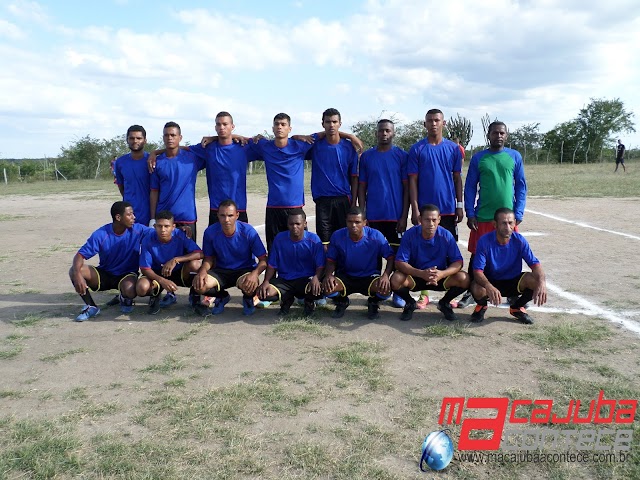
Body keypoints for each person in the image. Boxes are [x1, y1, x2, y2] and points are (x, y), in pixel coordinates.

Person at [462, 121, 527, 308]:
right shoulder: (479, 158)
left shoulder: (514, 156)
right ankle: (471, 292)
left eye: (502, 133)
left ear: (506, 135)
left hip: (507, 219)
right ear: (488, 135)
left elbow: (521, 186)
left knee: (512, 253)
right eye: (495, 133)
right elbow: (470, 187)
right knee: (477, 255)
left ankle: (513, 294)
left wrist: (519, 211)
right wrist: (470, 212)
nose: (498, 136)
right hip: (483, 216)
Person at [150, 112, 253, 225]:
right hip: (216, 209)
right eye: (218, 124)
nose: (221, 127)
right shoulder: (207, 148)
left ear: (232, 127)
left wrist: (234, 136)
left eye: (225, 124)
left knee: (241, 241)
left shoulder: (244, 146)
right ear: (215, 127)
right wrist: (155, 152)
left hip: (238, 208)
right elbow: (176, 148)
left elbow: (259, 143)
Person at [408, 109, 463, 309]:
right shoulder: (417, 149)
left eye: (437, 120)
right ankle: (423, 294)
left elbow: (457, 178)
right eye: (429, 120)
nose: (433, 123)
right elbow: (412, 181)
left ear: (443, 123)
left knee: (448, 253)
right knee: (423, 252)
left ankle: (448, 294)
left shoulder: (453, 149)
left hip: (447, 209)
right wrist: (415, 209)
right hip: (424, 211)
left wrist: (459, 204)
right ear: (424, 124)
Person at [357, 118, 409, 308]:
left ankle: (397, 291)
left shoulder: (402, 156)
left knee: (396, 255)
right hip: (373, 216)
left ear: (393, 133)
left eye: (387, 131)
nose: (384, 134)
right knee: (374, 254)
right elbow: (362, 187)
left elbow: (406, 189)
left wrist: (404, 216)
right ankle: (379, 289)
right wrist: (363, 214)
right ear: (376, 133)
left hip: (395, 216)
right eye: (381, 131)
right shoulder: (367, 157)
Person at [391, 204, 470, 321]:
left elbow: (458, 262)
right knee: (395, 279)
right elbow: (399, 262)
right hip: (416, 276)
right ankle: (409, 303)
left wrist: (442, 274)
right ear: (420, 220)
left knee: (464, 278)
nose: (431, 224)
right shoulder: (410, 234)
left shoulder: (446, 235)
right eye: (427, 220)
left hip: (439, 277)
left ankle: (444, 303)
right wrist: (421, 273)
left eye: (434, 220)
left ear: (439, 220)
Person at [69, 201, 146, 321]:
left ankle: (124, 297)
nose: (134, 217)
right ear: (118, 217)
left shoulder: (138, 230)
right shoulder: (101, 234)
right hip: (105, 273)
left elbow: (157, 234)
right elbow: (79, 256)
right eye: (130, 214)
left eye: (133, 214)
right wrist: (77, 275)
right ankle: (92, 307)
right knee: (75, 270)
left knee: (130, 290)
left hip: (126, 275)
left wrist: (183, 229)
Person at [469, 208, 546, 324]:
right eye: (503, 223)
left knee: (536, 281)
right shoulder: (484, 241)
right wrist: (488, 286)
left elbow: (535, 265)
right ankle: (481, 307)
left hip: (512, 281)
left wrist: (542, 283)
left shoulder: (519, 240)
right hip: (492, 281)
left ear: (515, 223)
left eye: (510, 223)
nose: (507, 227)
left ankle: (516, 307)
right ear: (494, 224)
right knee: (476, 287)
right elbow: (477, 271)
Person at [192, 199, 267, 316]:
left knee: (251, 283)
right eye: (222, 215)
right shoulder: (210, 232)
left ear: (237, 215)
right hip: (221, 271)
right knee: (200, 286)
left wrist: (255, 274)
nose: (226, 220)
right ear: (217, 215)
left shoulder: (248, 232)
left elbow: (263, 260)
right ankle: (222, 297)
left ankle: (248, 299)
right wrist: (202, 271)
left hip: (244, 270)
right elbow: (208, 259)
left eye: (230, 215)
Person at [323, 207, 395, 320]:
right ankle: (342, 302)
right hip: (345, 276)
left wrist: (385, 275)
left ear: (365, 223)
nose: (353, 225)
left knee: (386, 289)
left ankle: (373, 302)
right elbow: (331, 260)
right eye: (350, 222)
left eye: (357, 222)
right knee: (327, 287)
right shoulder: (337, 236)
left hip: (370, 276)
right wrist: (329, 275)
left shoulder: (376, 236)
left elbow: (390, 257)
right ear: (346, 221)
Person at [306, 108, 359, 246]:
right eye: (328, 122)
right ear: (322, 124)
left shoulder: (349, 147)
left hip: (343, 199)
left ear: (340, 123)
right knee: (324, 241)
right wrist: (350, 135)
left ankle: (343, 268)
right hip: (323, 200)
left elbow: (354, 178)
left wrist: (353, 202)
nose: (331, 125)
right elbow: (297, 139)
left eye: (335, 122)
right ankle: (327, 268)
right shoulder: (315, 145)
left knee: (344, 240)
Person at [257, 209, 325, 317]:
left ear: (305, 224)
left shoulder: (314, 240)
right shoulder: (279, 239)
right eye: (291, 224)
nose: (294, 227)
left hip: (305, 280)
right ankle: (287, 300)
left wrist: (316, 278)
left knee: (321, 289)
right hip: (285, 280)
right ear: (287, 224)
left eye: (298, 224)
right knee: (264, 294)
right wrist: (266, 281)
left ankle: (309, 302)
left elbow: (320, 265)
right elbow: (272, 265)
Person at [136, 210, 204, 315]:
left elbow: (200, 254)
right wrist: (162, 280)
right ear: (154, 226)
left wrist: (176, 260)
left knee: (195, 264)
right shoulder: (148, 239)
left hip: (179, 272)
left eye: (166, 226)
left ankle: (195, 296)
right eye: (159, 226)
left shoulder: (180, 234)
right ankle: (155, 296)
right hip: (157, 274)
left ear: (173, 227)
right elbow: (145, 268)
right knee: (141, 287)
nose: (163, 230)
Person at [149, 122, 205, 240]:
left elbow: (218, 143)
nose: (170, 138)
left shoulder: (192, 158)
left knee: (190, 255)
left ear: (180, 137)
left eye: (173, 135)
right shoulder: (156, 162)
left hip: (187, 217)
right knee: (164, 255)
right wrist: (153, 218)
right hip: (164, 218)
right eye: (166, 135)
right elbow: (154, 191)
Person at [115, 125, 151, 226]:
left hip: (149, 212)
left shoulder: (152, 161)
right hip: (129, 212)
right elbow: (121, 186)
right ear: (127, 140)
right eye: (131, 138)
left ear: (145, 140)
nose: (135, 141)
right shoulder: (120, 162)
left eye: (139, 138)